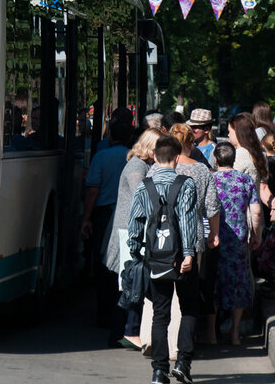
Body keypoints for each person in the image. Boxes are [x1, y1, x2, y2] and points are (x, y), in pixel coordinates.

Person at [127, 136, 199, 384]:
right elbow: (189, 221)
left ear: (155, 157)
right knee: (189, 309)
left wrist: (136, 252)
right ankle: (182, 364)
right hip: (181, 256)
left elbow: (135, 222)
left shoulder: (144, 186)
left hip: (155, 258)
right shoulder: (186, 185)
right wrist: (189, 253)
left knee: (160, 314)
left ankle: (159, 371)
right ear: (177, 158)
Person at [104, 128, 163, 349]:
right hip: (128, 231)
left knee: (130, 281)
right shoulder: (137, 167)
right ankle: (125, 332)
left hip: (131, 229)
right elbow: (144, 195)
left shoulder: (142, 164)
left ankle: (125, 330)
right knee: (129, 282)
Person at [167, 124, 222, 345]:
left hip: (164, 237)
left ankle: (164, 343)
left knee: (164, 295)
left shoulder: (160, 168)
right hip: (194, 236)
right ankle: (187, 344)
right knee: (190, 295)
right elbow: (212, 207)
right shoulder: (201, 169)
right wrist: (214, 234)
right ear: (191, 143)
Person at [81, 117, 133, 342]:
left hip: (104, 215)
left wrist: (86, 218)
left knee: (103, 265)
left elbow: (93, 190)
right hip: (125, 215)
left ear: (110, 135)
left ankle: (103, 315)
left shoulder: (101, 156)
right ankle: (120, 315)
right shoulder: (133, 158)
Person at [211, 142, 262, 345]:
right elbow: (256, 211)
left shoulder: (211, 179)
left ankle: (212, 334)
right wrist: (256, 234)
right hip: (239, 238)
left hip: (215, 238)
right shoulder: (245, 179)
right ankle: (235, 333)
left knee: (215, 283)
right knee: (238, 283)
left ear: (215, 160)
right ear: (233, 159)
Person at [255, 133, 275, 297]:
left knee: (271, 248)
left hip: (271, 210)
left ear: (263, 146)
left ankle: (273, 283)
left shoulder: (267, 164)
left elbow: (265, 189)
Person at [227, 113, 271, 203]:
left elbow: (230, 185)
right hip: (255, 207)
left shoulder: (241, 154)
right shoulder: (258, 153)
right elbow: (263, 187)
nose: (228, 135)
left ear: (237, 132)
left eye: (230, 131)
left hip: (242, 209)